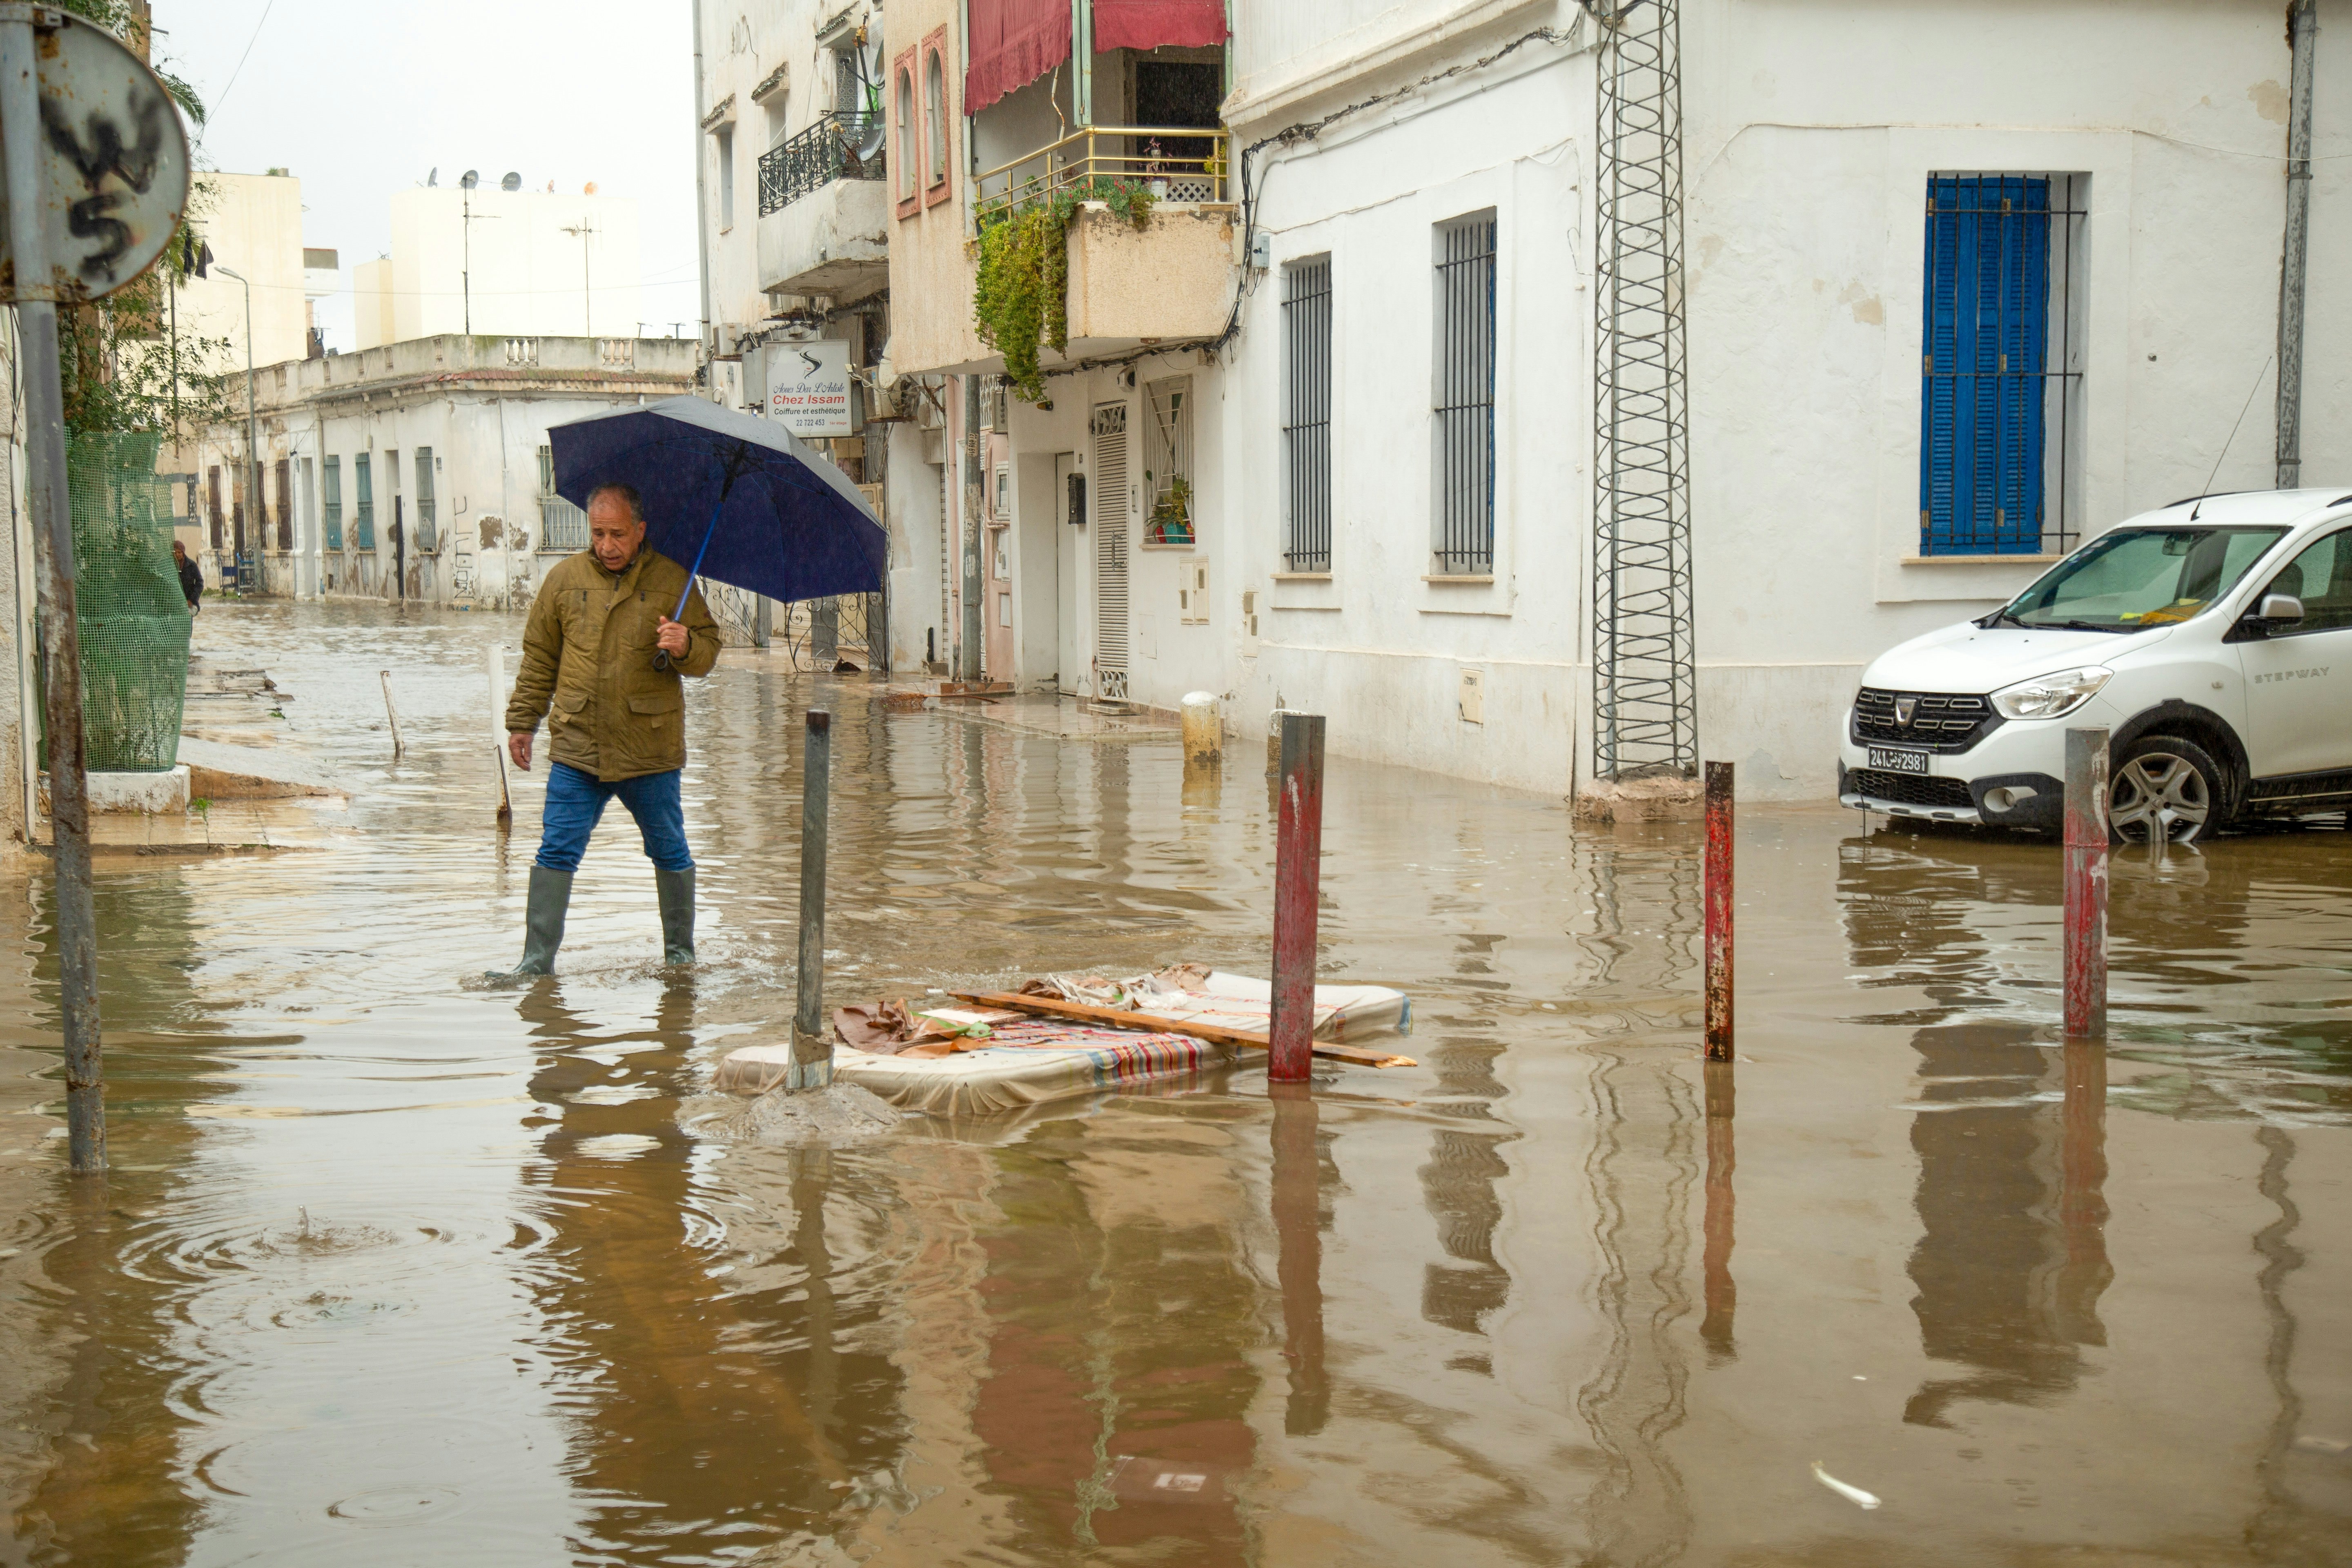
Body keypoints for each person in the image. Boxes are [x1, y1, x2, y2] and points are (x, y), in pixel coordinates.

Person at [496, 481, 720, 976]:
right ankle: (535, 965)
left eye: (618, 534)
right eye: (598, 533)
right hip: (578, 748)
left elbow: (708, 652)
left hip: (650, 751)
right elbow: (540, 659)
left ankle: (680, 959)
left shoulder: (673, 581)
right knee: (556, 848)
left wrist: (685, 645)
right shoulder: (563, 580)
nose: (607, 545)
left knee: (670, 849)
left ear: (640, 531)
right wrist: (522, 723)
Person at [172, 539, 203, 612]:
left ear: (183, 553)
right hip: (174, 603)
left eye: (179, 553)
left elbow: (200, 583)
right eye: (175, 553)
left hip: (189, 602)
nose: (177, 555)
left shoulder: (191, 565)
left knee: (188, 620)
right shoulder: (171, 567)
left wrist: (192, 600)